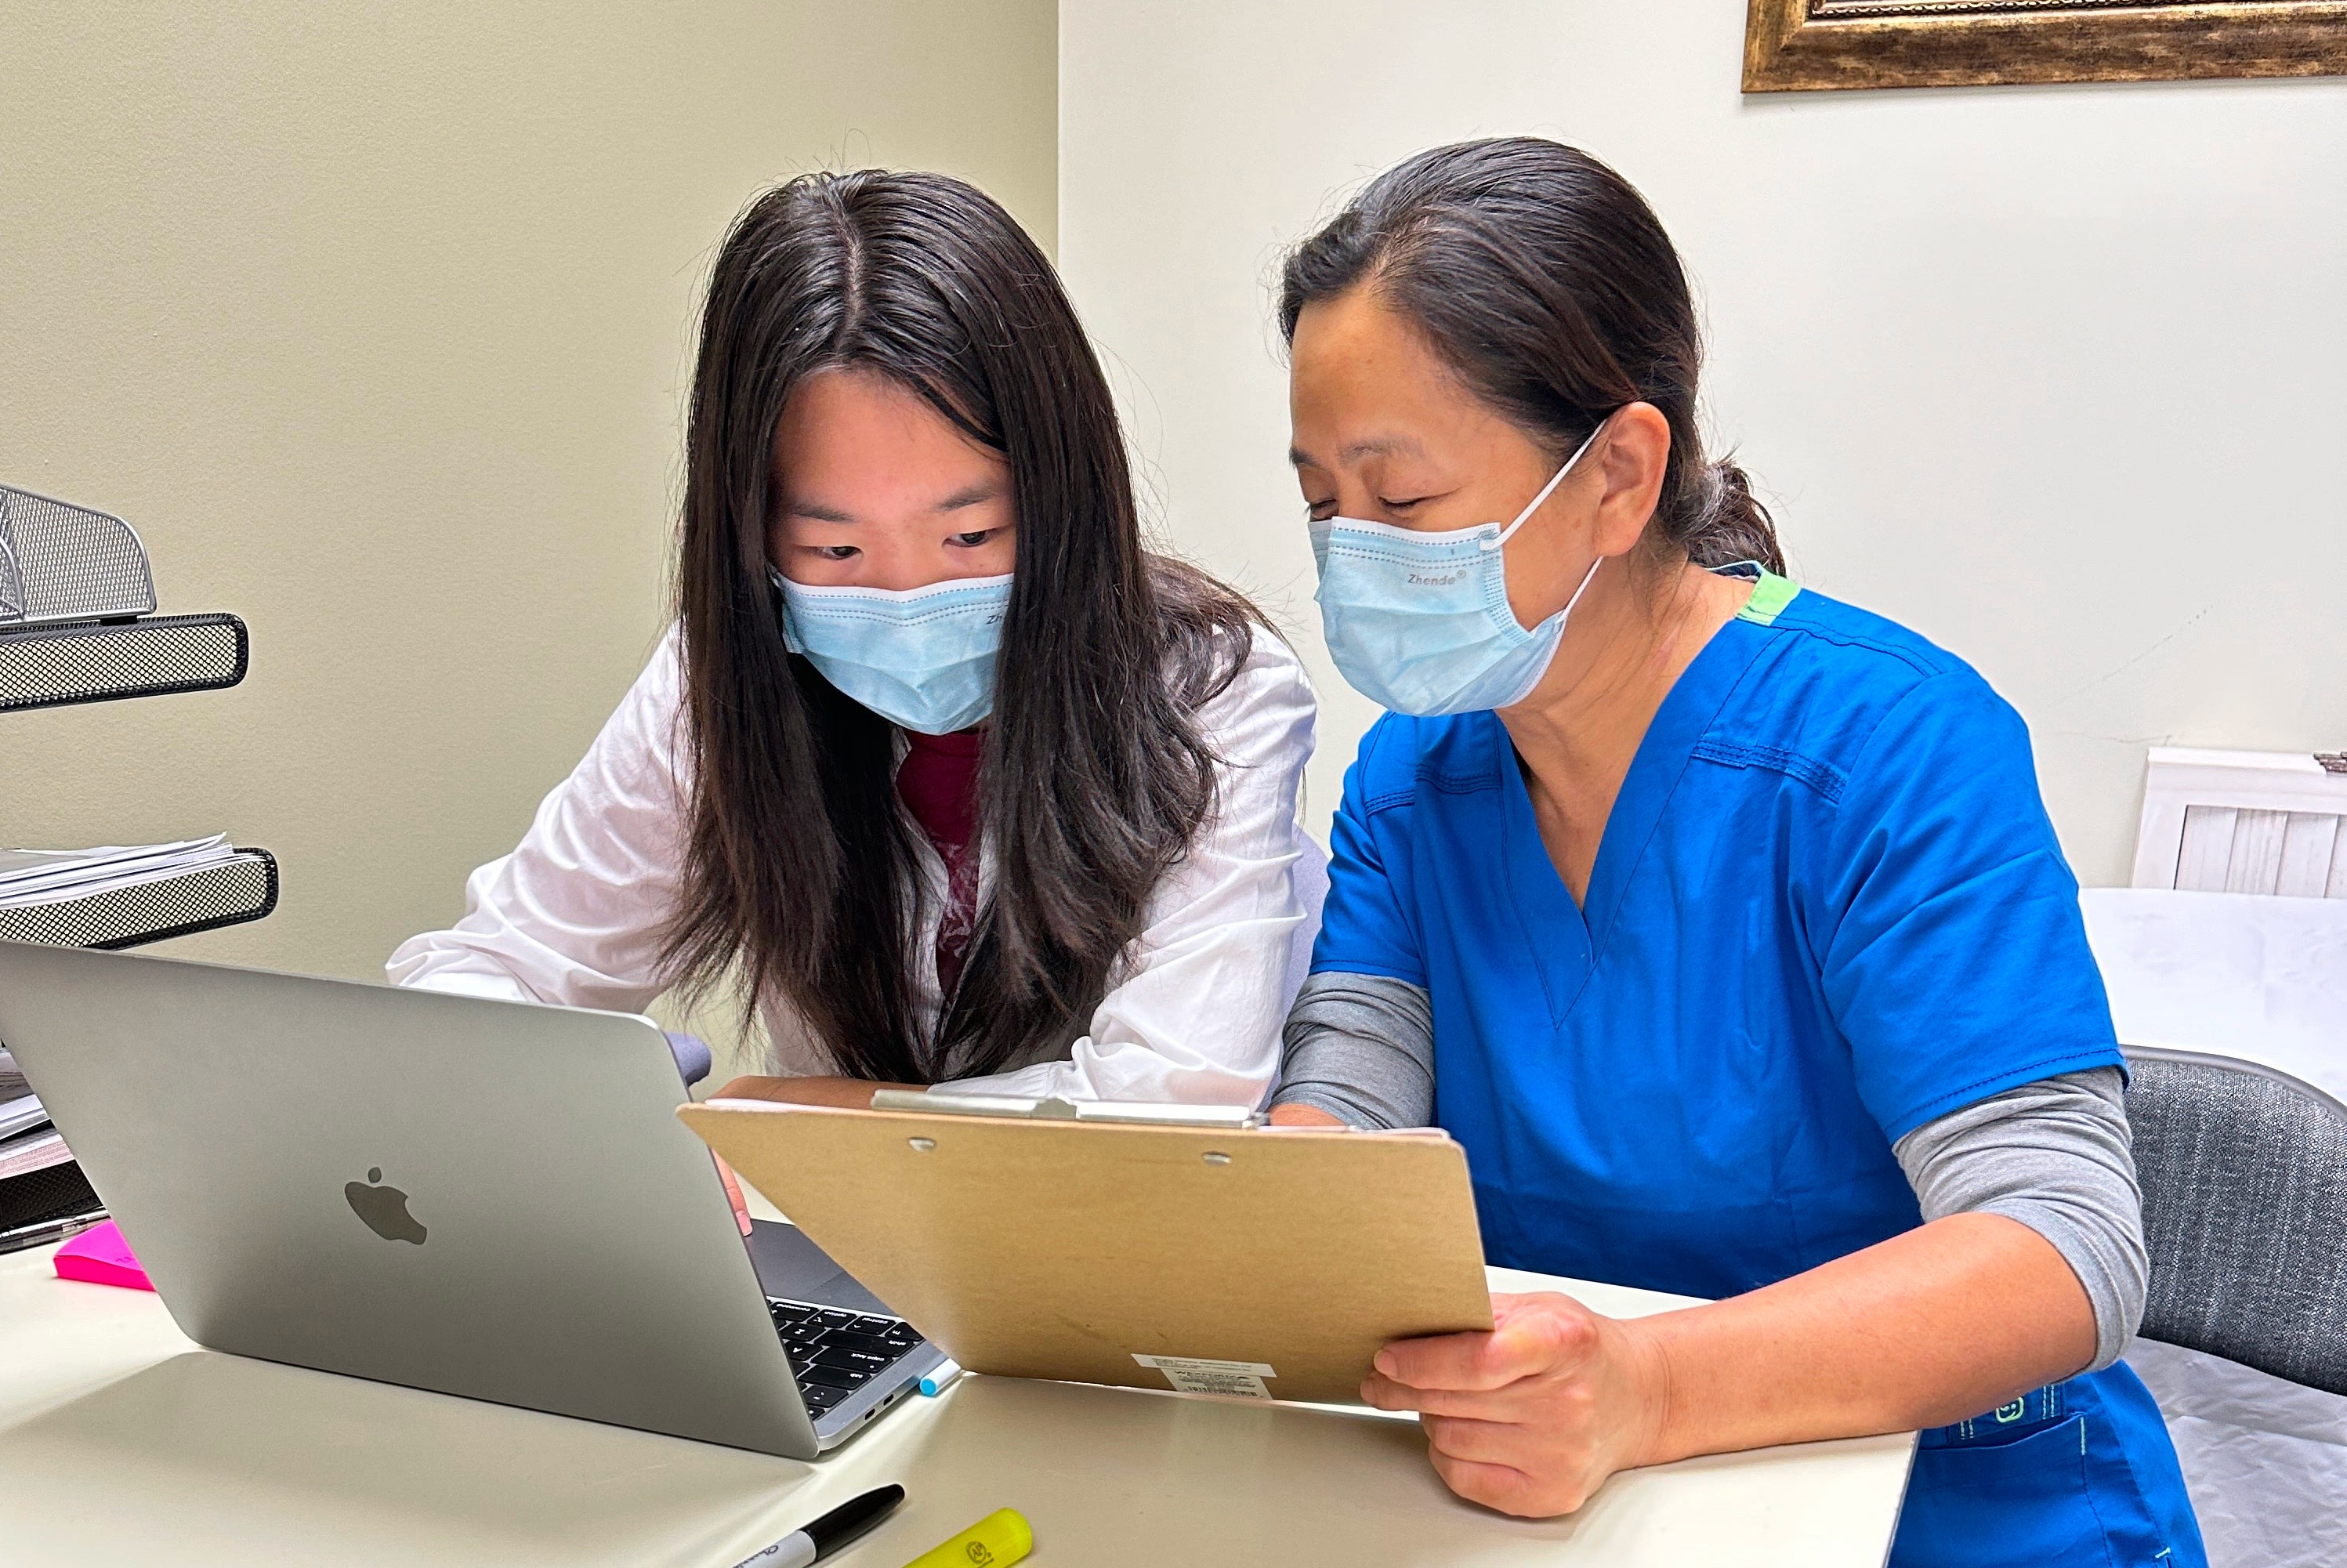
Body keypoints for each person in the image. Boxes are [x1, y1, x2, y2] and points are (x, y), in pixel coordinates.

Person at [1266, 138, 2203, 1566]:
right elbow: (1343, 1112)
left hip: (1945, 1502)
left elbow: (2059, 1246)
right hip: (1570, 1501)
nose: (1351, 559)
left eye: (1399, 503)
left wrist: (1646, 1388)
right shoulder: (1412, 774)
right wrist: (1248, 1244)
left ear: (1617, 475)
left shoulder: (1884, 746)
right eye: (1320, 504)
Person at [391, 169, 1314, 1110]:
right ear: (751, 540)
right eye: (834, 547)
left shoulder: (1210, 690)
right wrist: (581, 1097)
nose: (907, 596)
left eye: (972, 537)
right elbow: (499, 970)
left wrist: (808, 1118)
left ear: (1064, 500)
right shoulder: (719, 683)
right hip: (839, 1248)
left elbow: (1167, 1102)